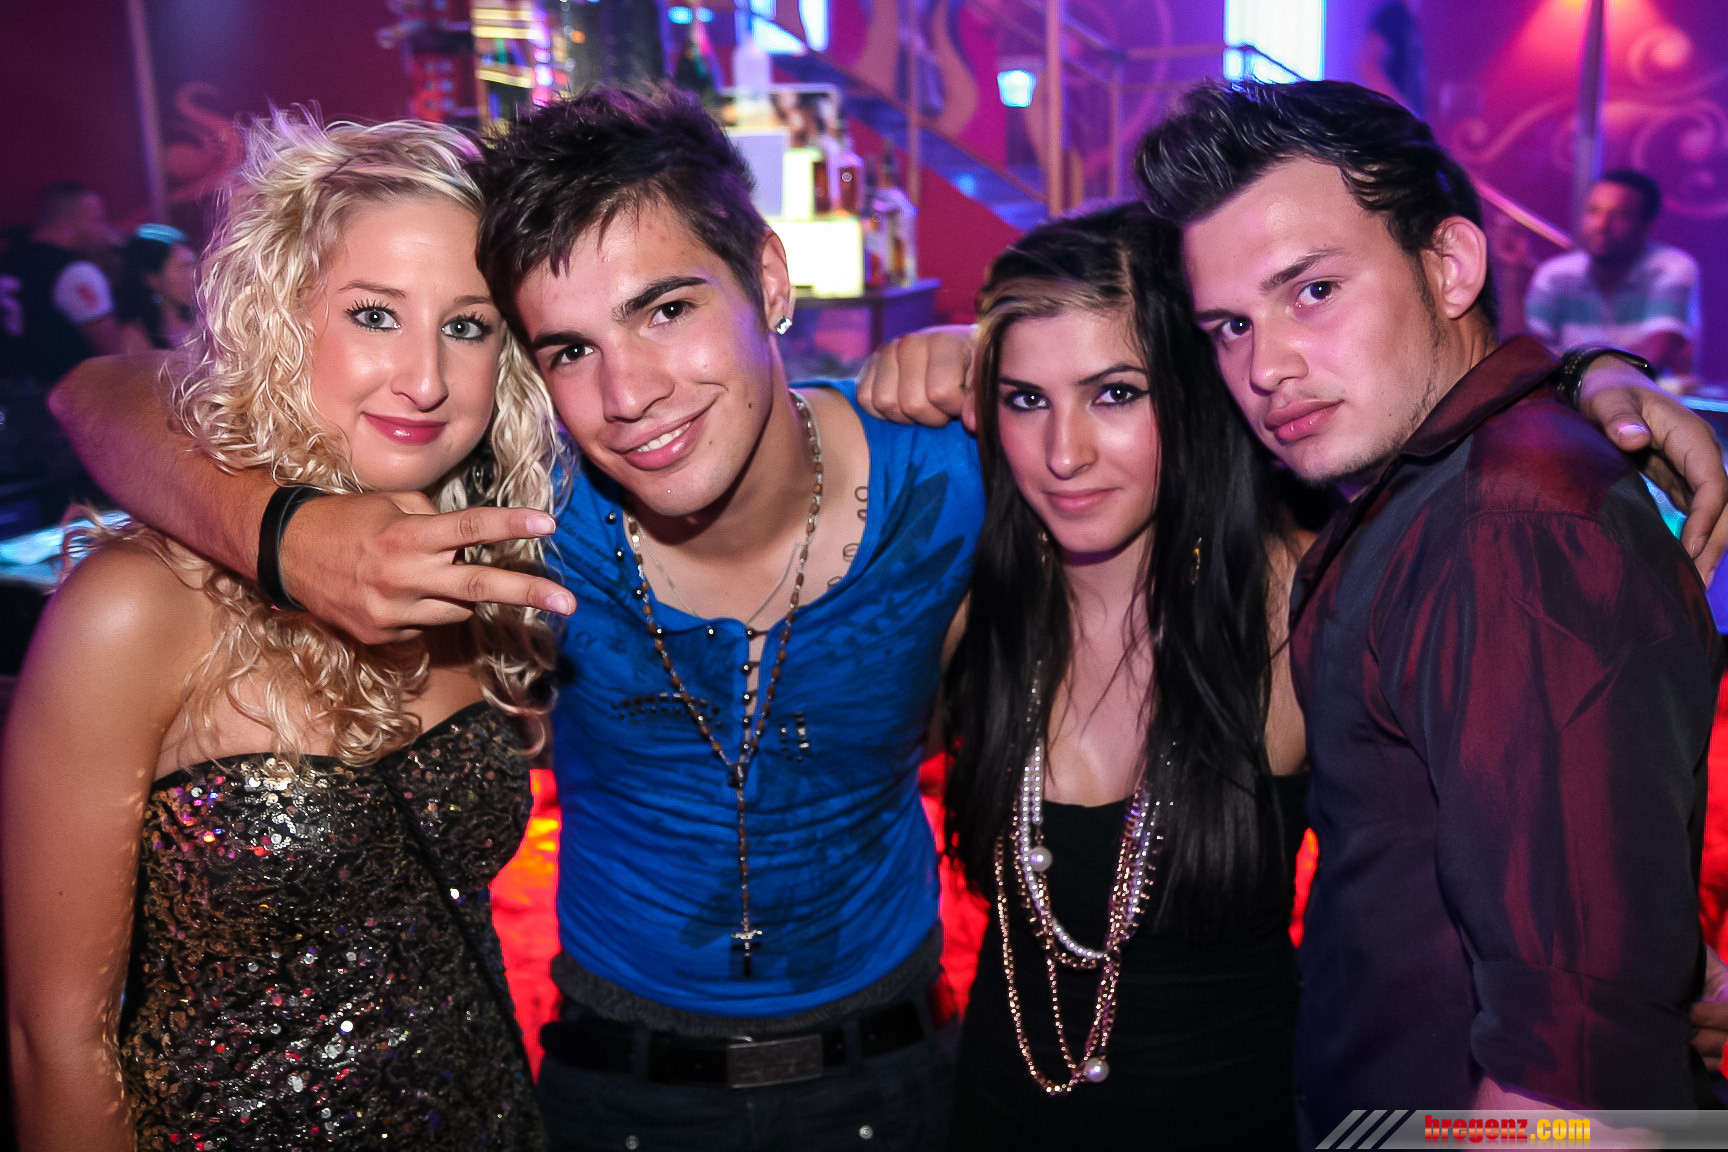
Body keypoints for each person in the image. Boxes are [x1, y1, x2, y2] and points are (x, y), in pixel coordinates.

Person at [44, 83, 1728, 1150]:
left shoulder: (971, 488)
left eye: (670, 308)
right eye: (565, 347)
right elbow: (101, 395)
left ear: (771, 284)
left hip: (911, 1096)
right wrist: (291, 534)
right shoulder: (518, 515)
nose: (628, 390)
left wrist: (1568, 382)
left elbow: (1587, 1028)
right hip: (610, 1098)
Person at [1133, 80, 1721, 1136]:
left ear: (1450, 266)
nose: (1266, 366)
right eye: (1230, 325)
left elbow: (1570, 1080)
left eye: (1314, 291)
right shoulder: (1440, 479)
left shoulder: (1516, 530)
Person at [4, 113, 560, 1150]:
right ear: (281, 313)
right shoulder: (136, 609)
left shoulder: (483, 584)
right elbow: (56, 1043)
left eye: (469, 326)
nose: (425, 378)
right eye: (374, 315)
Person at [939, 203, 1311, 1149]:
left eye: (1114, 394)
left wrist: (1589, 377)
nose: (1064, 454)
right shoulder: (973, 598)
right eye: (1026, 401)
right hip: (997, 1117)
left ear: (1191, 392)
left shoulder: (1290, 599)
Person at [1526, 169, 1702, 385]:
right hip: (1567, 402)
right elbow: (1526, 358)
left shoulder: (1670, 268)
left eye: (1619, 215)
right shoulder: (1554, 274)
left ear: (1647, 227)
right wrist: (1513, 277)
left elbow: (1651, 359)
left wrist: (1563, 365)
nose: (1602, 225)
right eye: (1593, 211)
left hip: (1643, 401)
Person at [0, 180, 124, 387]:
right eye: (96, 220)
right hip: (59, 397)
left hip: (9, 395)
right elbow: (111, 356)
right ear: (67, 225)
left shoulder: (6, 262)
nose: (104, 230)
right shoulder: (77, 272)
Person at [114, 223, 198, 353]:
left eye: (193, 265)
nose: (194, 275)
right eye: (184, 267)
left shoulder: (201, 321)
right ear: (152, 279)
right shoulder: (135, 336)